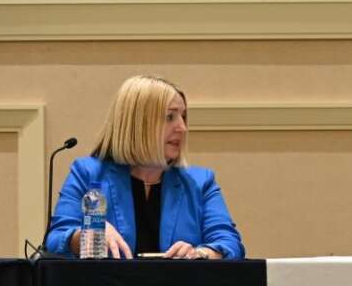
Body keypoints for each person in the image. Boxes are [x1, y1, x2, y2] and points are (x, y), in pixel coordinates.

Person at [46, 75, 245, 259]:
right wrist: (85, 234)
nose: (182, 128)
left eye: (183, 116)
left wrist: (200, 253)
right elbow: (54, 241)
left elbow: (230, 244)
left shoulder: (200, 183)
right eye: (170, 117)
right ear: (138, 124)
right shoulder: (88, 174)